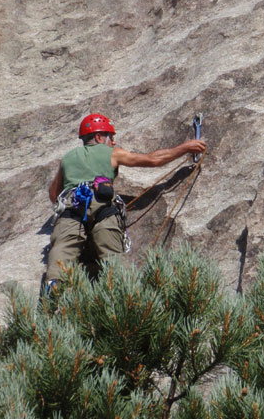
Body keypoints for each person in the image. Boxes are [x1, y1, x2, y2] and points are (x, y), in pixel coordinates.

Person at [44, 113, 206, 290]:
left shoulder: (67, 158)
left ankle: (53, 290)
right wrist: (184, 148)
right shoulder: (112, 153)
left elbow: (54, 194)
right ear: (99, 137)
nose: (113, 142)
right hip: (103, 208)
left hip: (72, 209)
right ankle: (122, 296)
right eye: (111, 137)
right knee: (113, 261)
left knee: (61, 255)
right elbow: (152, 159)